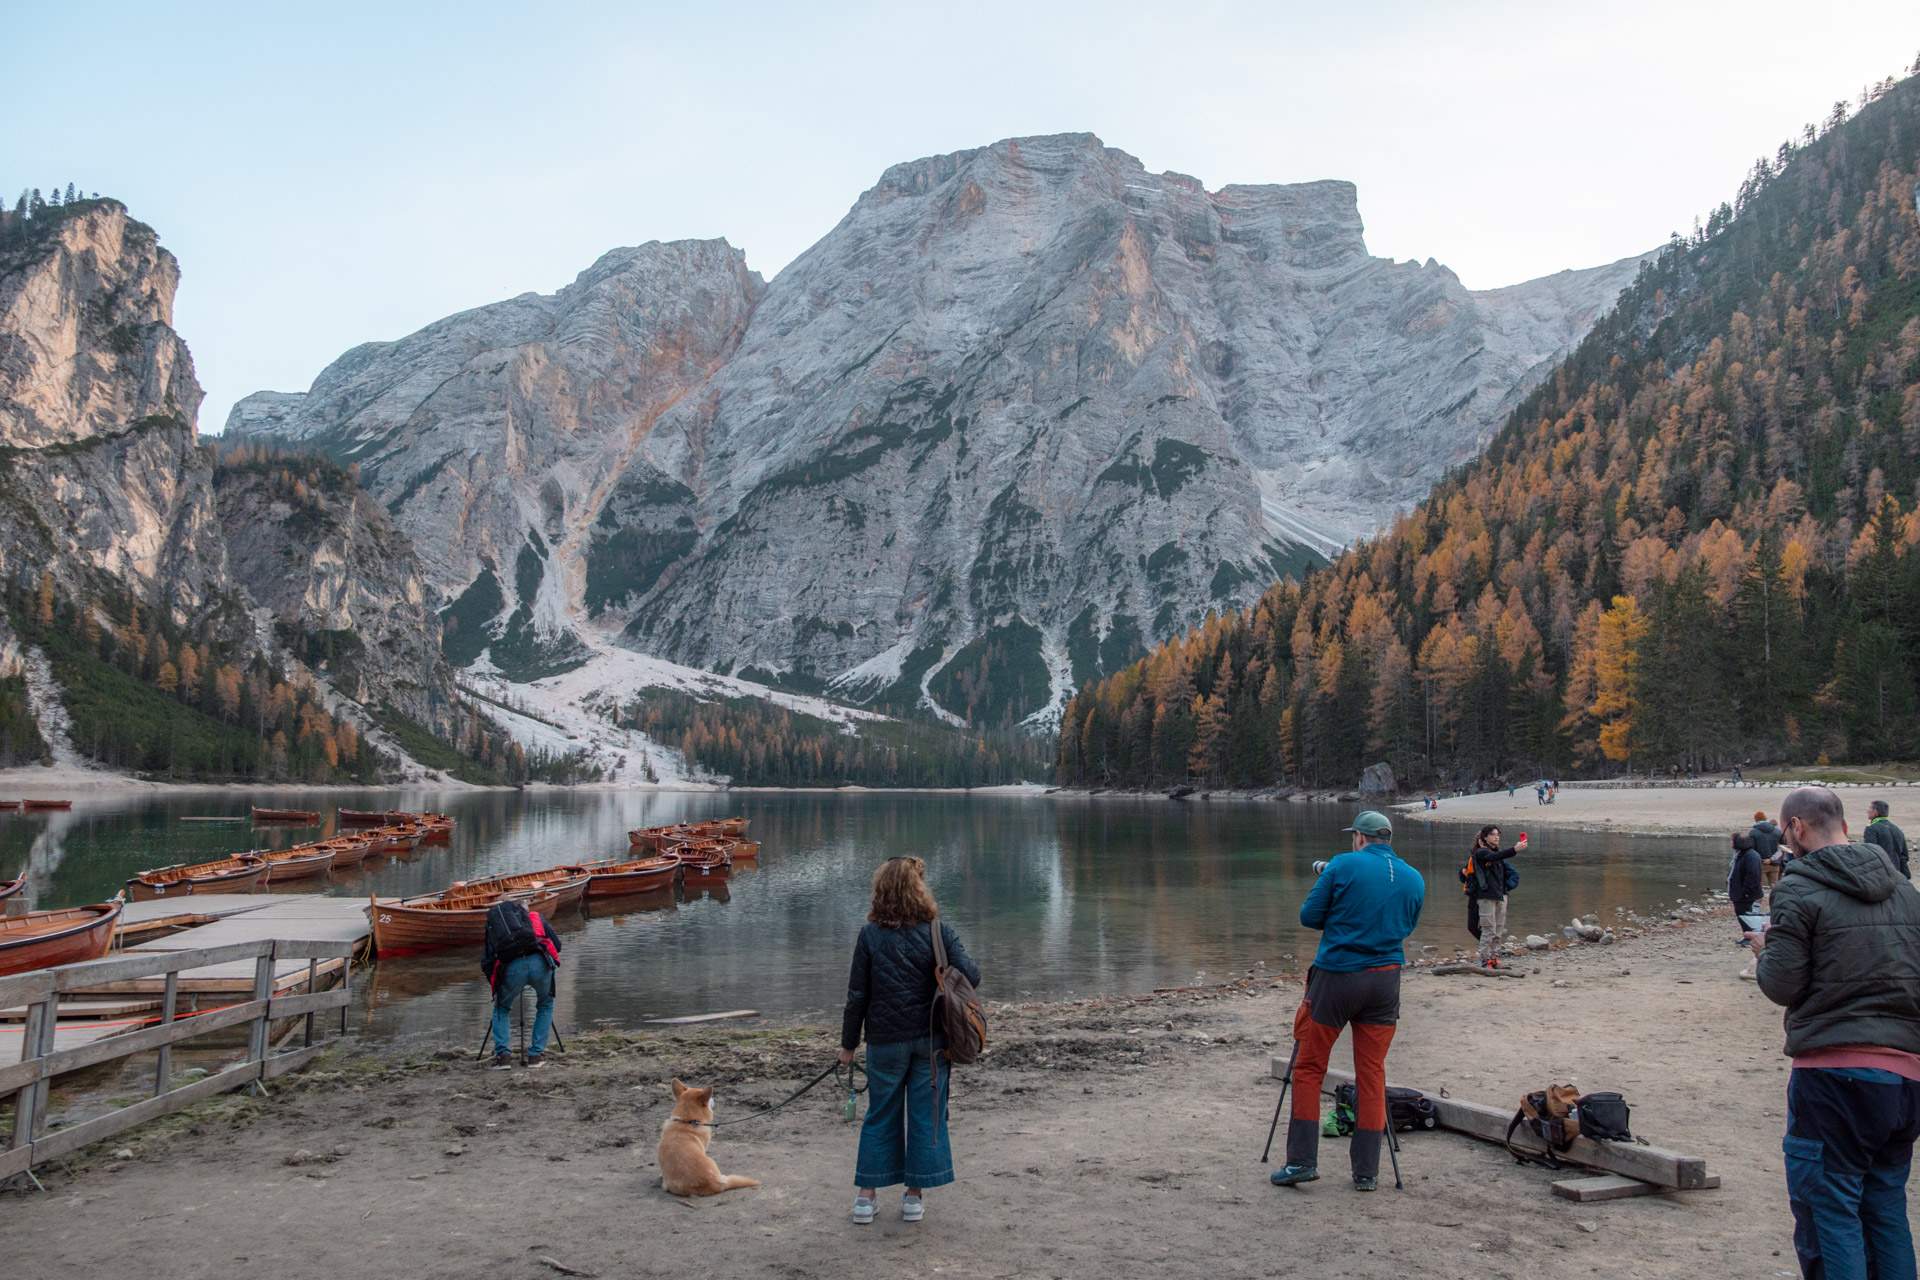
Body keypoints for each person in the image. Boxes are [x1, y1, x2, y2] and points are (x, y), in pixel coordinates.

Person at [1750, 786, 1920, 1279]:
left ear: (1796, 828)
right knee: (1885, 1211)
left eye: (1786, 831)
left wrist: (1765, 950)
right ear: (1843, 823)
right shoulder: (1906, 891)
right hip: (1906, 1079)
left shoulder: (1798, 888)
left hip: (1835, 1078)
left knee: (1830, 1212)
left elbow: (1782, 985)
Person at [1270, 811, 1425, 1193]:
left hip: (1337, 977)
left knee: (1308, 1066)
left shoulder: (1341, 865)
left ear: (1359, 837)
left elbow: (1310, 917)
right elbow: (1406, 924)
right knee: (1372, 1072)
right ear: (1387, 839)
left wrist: (1339, 901)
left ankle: (1301, 1162)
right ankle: (1366, 1173)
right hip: (1386, 980)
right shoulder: (1414, 877)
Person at [839, 855, 981, 1226]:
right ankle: (913, 1198)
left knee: (879, 1115)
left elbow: (857, 996)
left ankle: (865, 1200)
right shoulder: (938, 931)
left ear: (880, 891)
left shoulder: (869, 935)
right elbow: (973, 975)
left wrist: (848, 1045)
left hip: (885, 1042)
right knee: (925, 1116)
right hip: (931, 1043)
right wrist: (941, 973)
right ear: (919, 889)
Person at [480, 897, 561, 1069]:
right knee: (545, 1004)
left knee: (501, 1008)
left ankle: (503, 1057)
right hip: (540, 963)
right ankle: (535, 1056)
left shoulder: (495, 927)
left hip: (512, 968)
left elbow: (487, 960)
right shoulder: (536, 918)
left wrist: (496, 987)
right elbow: (557, 945)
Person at [1460, 825, 1527, 968]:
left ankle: (1494, 959)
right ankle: (1485, 960)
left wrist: (1506, 887)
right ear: (1484, 838)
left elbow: (1508, 870)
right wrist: (1514, 850)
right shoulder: (1480, 854)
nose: (1497, 837)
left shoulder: (1498, 856)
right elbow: (1490, 857)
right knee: (1487, 929)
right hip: (1484, 896)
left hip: (1500, 896)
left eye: (1498, 834)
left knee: (1497, 930)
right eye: (1493, 834)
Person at [1728, 832, 1763, 980]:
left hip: (1747, 896)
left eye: (1732, 840)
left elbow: (1753, 877)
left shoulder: (1751, 856)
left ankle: (1753, 941)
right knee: (1742, 917)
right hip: (1740, 895)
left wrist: (1746, 894)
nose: (1730, 843)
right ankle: (1747, 937)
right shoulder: (1742, 854)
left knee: (1749, 919)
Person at [1863, 800, 1910, 880]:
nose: (1867, 811)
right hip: (1897, 874)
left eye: (1870, 808)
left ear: (1875, 812)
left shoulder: (1871, 829)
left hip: (1881, 875)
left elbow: (1870, 854)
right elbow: (1904, 855)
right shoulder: (1897, 829)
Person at [1752, 810, 1786, 893]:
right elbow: (1783, 848)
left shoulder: (1753, 832)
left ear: (1756, 820)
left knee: (1761, 888)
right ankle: (1776, 904)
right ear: (1765, 818)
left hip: (1760, 864)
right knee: (1775, 887)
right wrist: (1772, 859)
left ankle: (1759, 905)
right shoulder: (1778, 831)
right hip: (1775, 863)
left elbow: (1751, 850)